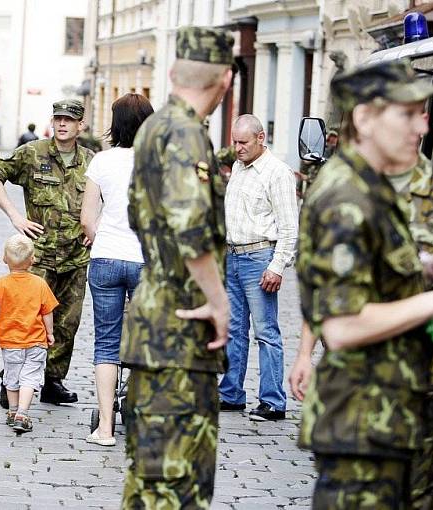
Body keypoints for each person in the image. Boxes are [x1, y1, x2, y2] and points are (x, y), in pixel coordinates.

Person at [296, 59, 433, 508]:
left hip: (388, 414)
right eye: (406, 113)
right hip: (361, 423)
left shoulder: (369, 186)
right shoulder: (347, 197)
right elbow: (341, 324)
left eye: (422, 112)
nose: (421, 125)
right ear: (363, 118)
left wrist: (422, 271)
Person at [119, 26, 235, 508]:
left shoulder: (153, 128)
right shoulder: (186, 133)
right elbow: (190, 228)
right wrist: (219, 301)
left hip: (155, 322)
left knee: (151, 482)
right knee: (176, 486)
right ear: (225, 80)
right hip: (181, 332)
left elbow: (137, 213)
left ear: (171, 72)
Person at [0, 99, 94, 407]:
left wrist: (94, 227)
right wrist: (14, 216)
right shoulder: (33, 153)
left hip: (75, 255)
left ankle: (51, 380)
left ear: (80, 125)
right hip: (40, 256)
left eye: (69, 120)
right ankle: (13, 382)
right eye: (57, 118)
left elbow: (108, 196)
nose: (62, 124)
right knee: (27, 320)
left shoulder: (90, 160)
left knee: (67, 322)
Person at [79, 93, 153, 446]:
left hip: (106, 256)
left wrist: (99, 238)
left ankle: (105, 428)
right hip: (145, 261)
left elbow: (86, 219)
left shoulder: (101, 161)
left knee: (106, 343)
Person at [218, 114, 298, 422]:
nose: (237, 148)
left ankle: (272, 401)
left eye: (243, 142)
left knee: (266, 332)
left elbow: (290, 227)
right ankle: (231, 393)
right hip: (233, 256)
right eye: (234, 142)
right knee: (234, 330)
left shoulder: (277, 173)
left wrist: (277, 266)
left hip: (259, 258)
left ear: (261, 138)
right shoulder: (239, 167)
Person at [0, 234, 58, 433]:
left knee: (12, 376)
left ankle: (13, 411)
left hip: (10, 343)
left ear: (4, 259)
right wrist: (49, 333)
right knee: (30, 378)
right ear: (32, 259)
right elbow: (47, 311)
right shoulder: (40, 284)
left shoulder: (1, 284)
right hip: (35, 342)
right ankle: (22, 414)